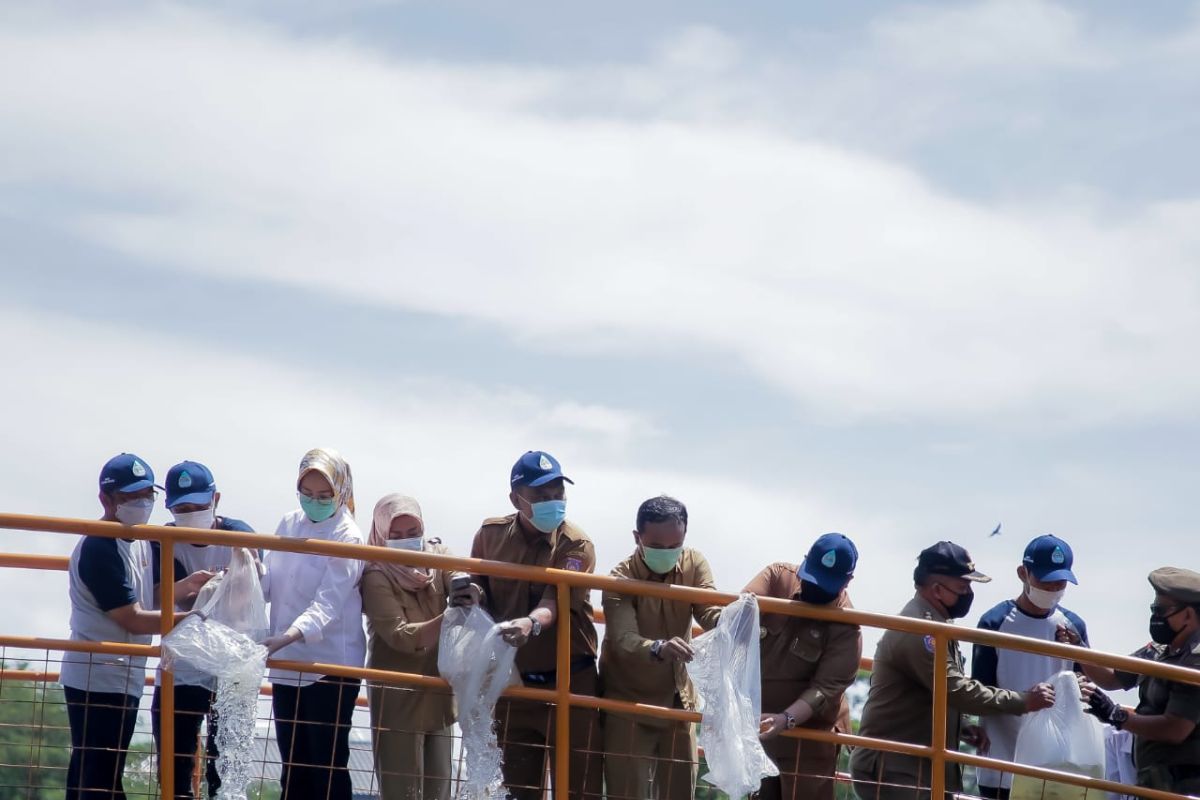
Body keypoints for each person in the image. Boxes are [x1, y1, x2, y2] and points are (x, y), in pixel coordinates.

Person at [849, 541, 1057, 800]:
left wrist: (962, 727)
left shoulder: (937, 622)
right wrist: (1024, 700)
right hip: (895, 768)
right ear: (937, 589)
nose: (969, 593)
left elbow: (929, 692)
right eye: (963, 587)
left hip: (913, 767)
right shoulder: (921, 629)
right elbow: (954, 689)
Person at [61, 453, 212, 800]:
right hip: (96, 677)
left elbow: (148, 597)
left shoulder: (139, 539)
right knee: (98, 776)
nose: (141, 504)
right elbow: (130, 616)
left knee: (98, 773)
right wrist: (192, 619)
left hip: (123, 674)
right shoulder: (100, 546)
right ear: (106, 499)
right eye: (129, 498)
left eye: (147, 495)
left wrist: (189, 585)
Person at [469, 450, 603, 799]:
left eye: (558, 494)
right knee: (518, 790)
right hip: (515, 685)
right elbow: (478, 585)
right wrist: (468, 592)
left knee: (578, 789)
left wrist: (531, 623)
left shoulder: (576, 544)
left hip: (572, 683)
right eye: (541, 496)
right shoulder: (490, 534)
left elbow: (554, 600)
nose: (553, 503)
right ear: (516, 499)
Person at [600, 495, 723, 800]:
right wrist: (657, 648)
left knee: (680, 793)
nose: (667, 554)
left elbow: (708, 610)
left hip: (679, 701)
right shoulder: (620, 578)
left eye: (674, 546)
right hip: (628, 705)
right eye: (656, 546)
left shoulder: (695, 563)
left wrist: (734, 621)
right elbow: (623, 637)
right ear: (637, 538)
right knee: (627, 794)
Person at [261, 448, 366, 800]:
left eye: (324, 496)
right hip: (287, 663)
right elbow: (271, 580)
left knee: (327, 766)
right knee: (293, 767)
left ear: (341, 492)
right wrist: (240, 574)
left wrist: (287, 636)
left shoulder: (348, 535)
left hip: (329, 665)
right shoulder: (289, 524)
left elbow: (328, 602)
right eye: (307, 495)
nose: (315, 502)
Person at [360, 494, 477, 800]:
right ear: (381, 535)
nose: (406, 541)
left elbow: (456, 574)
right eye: (395, 536)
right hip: (398, 699)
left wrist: (468, 590)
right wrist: (450, 616)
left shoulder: (436, 555)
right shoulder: (376, 573)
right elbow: (401, 636)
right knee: (402, 791)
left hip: (437, 694)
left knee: (439, 790)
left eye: (413, 533)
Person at [150, 460, 255, 800]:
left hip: (227, 670)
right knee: (174, 770)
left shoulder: (239, 536)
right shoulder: (162, 541)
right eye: (182, 509)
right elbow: (151, 595)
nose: (191, 514)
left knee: (222, 772)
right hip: (179, 670)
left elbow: (254, 592)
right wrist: (186, 587)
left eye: (198, 507)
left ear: (216, 500)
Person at [970, 534, 1090, 800]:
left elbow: (1087, 687)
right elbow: (977, 692)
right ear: (1023, 573)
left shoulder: (1074, 627)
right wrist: (1025, 700)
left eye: (1061, 583)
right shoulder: (994, 622)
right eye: (1046, 582)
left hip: (1055, 765)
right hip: (1002, 763)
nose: (1053, 590)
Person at [746, 533, 863, 800]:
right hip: (761, 729)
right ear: (804, 563)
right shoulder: (777, 577)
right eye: (812, 579)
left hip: (810, 740)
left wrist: (786, 719)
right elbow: (737, 615)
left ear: (847, 581)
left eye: (826, 584)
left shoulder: (848, 627)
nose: (816, 589)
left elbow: (825, 689)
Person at [1081, 567, 1200, 796]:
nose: (1156, 617)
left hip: (1183, 785)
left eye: (1161, 610)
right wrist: (1077, 648)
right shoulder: (1158, 651)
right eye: (1153, 609)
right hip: (1153, 779)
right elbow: (1113, 677)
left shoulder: (1194, 660)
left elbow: (1176, 728)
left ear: (1188, 614)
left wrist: (1117, 716)